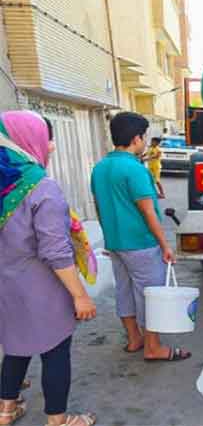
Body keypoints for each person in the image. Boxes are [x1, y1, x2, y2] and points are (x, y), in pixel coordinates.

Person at [0, 111, 97, 426]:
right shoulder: (41, 187)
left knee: (15, 347)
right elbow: (55, 251)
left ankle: (6, 411)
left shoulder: (5, 184)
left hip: (7, 285)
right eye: (47, 138)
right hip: (41, 288)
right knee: (55, 351)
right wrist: (80, 295)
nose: (52, 146)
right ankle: (58, 420)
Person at [91, 112, 190, 362]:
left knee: (124, 291)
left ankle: (134, 338)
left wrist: (109, 238)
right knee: (150, 294)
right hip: (141, 244)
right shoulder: (134, 169)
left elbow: (99, 207)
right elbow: (148, 211)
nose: (145, 141)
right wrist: (164, 245)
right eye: (144, 136)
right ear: (136, 138)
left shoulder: (100, 168)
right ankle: (153, 346)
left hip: (116, 244)